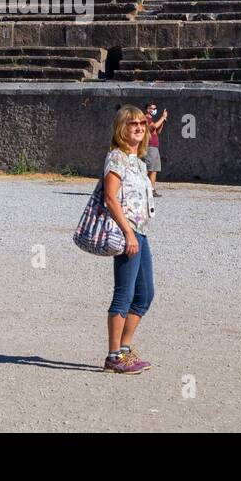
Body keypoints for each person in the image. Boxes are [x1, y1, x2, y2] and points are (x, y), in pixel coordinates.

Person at [100, 106, 155, 375]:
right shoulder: (117, 158)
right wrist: (128, 232)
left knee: (145, 294)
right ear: (122, 127)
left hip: (141, 232)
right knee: (124, 294)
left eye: (142, 123)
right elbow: (111, 198)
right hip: (127, 233)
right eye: (133, 123)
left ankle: (124, 349)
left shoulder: (139, 161)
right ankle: (113, 356)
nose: (139, 127)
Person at [145, 102, 168, 197]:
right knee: (148, 169)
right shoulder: (146, 119)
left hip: (155, 147)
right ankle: (142, 188)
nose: (154, 110)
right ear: (147, 109)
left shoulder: (151, 119)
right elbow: (153, 127)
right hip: (149, 147)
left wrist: (162, 122)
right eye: (152, 108)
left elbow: (157, 131)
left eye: (155, 108)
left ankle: (152, 189)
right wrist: (162, 117)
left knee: (154, 169)